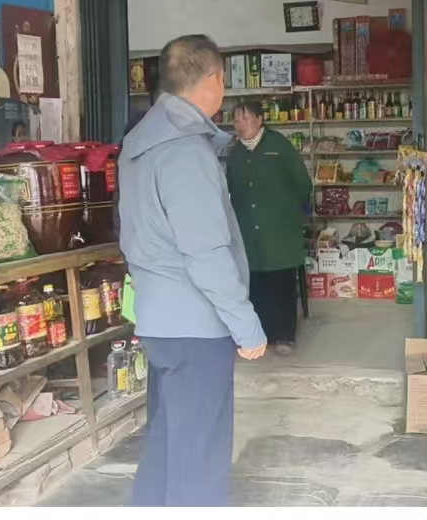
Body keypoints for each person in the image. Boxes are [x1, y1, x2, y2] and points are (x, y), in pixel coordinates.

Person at [119, 35, 267, 507]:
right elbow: (206, 252)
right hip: (196, 326)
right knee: (199, 456)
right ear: (214, 79)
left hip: (158, 320)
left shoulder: (139, 142)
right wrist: (246, 325)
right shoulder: (185, 151)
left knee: (167, 443)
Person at [225, 100, 313, 356]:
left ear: (260, 119)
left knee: (281, 282)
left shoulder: (278, 145)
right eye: (236, 119)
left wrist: (287, 210)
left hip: (279, 228)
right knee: (255, 283)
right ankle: (260, 335)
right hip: (248, 230)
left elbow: (302, 183)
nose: (239, 124)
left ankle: (284, 335)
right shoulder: (236, 153)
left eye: (244, 118)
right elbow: (230, 189)